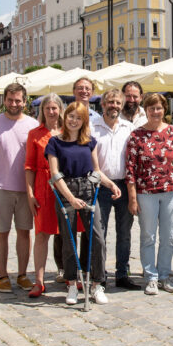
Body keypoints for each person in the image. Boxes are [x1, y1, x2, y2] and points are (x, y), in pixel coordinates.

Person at [46, 102, 121, 306]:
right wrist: (71, 198)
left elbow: (95, 171)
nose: (74, 121)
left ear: (84, 121)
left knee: (97, 238)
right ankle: (72, 284)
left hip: (88, 190)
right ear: (65, 118)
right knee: (69, 239)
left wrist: (110, 184)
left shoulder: (89, 142)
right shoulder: (54, 142)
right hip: (66, 191)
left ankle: (97, 284)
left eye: (78, 118)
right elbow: (55, 174)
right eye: (71, 116)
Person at [0, 83, 39, 293]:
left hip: (26, 188)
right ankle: (3, 275)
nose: (14, 104)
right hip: (1, 186)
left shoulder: (32, 124)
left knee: (24, 232)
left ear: (24, 101)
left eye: (18, 100)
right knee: (1, 231)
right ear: (4, 100)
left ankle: (22, 274)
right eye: (10, 100)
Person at [126, 93, 173, 296]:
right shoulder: (136, 136)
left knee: (169, 237)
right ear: (146, 110)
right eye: (151, 108)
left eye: (159, 108)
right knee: (148, 236)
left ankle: (164, 275)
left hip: (171, 192)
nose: (155, 112)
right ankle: (151, 277)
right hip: (146, 193)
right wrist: (132, 198)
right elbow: (130, 169)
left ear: (164, 110)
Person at [92, 89, 140, 290]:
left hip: (124, 185)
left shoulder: (128, 128)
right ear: (103, 104)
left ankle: (122, 274)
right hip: (99, 186)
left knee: (124, 232)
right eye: (110, 102)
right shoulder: (92, 127)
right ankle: (100, 275)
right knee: (99, 233)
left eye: (118, 103)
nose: (114, 106)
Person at [24, 93, 64, 297]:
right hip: (43, 185)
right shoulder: (35, 134)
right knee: (42, 234)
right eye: (47, 108)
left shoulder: (68, 131)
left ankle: (70, 275)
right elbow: (29, 166)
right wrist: (30, 193)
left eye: (54, 108)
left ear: (60, 110)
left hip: (65, 185)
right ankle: (39, 281)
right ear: (42, 111)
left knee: (67, 232)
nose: (51, 111)